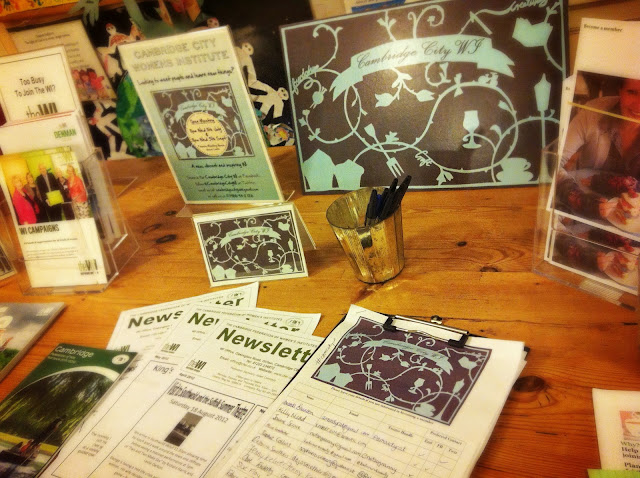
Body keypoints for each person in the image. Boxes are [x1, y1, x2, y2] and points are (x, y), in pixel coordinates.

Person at [557, 77, 640, 220]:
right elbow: (552, 162)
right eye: (632, 92)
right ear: (620, 90)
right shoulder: (592, 112)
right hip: (580, 211)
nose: (639, 105)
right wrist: (578, 199)